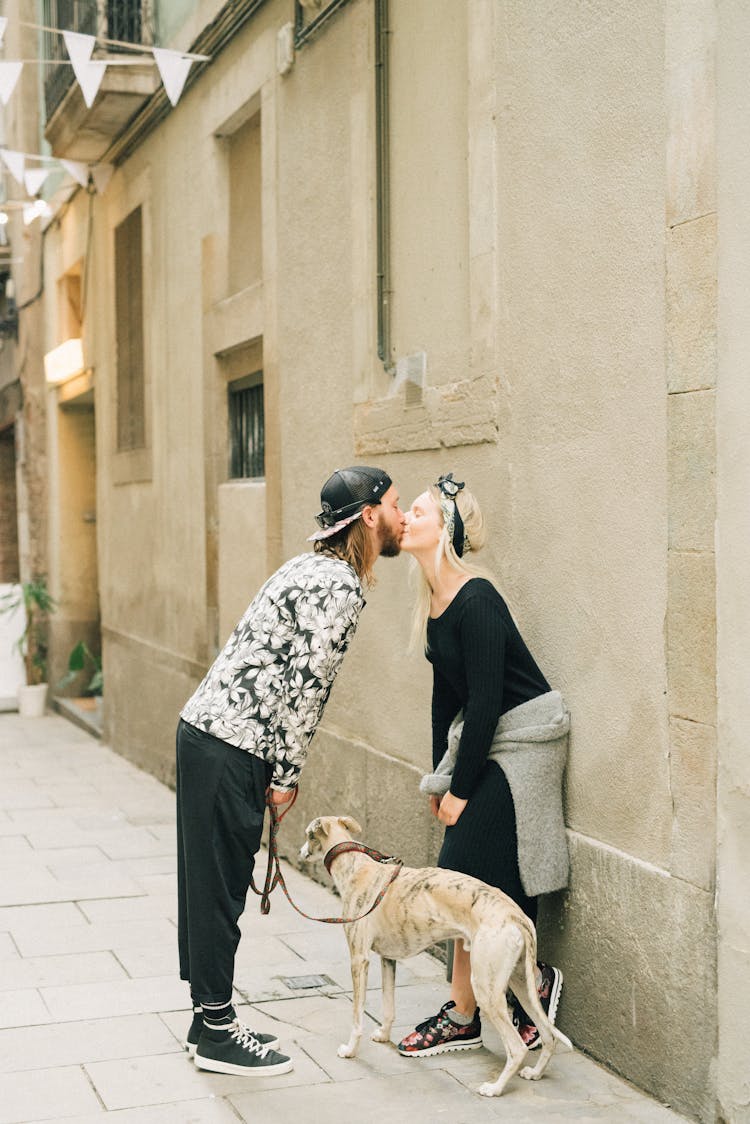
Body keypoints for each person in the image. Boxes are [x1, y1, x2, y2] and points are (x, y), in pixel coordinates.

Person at [176, 466, 404, 1077]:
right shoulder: (342, 586)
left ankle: (207, 1019)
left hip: (205, 731)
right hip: (234, 744)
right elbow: (308, 685)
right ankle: (218, 1031)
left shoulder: (304, 567)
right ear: (368, 516)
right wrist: (286, 774)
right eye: (395, 505)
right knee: (222, 889)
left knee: (208, 885)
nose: (402, 516)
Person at [397, 472, 570, 1057]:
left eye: (417, 511)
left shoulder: (477, 599)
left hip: (526, 737)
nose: (407, 518)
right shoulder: (435, 601)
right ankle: (475, 1008)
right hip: (486, 736)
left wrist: (462, 791)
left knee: (466, 860)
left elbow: (491, 701)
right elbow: (448, 698)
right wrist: (439, 778)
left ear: (444, 529)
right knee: (472, 871)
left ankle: (516, 990)